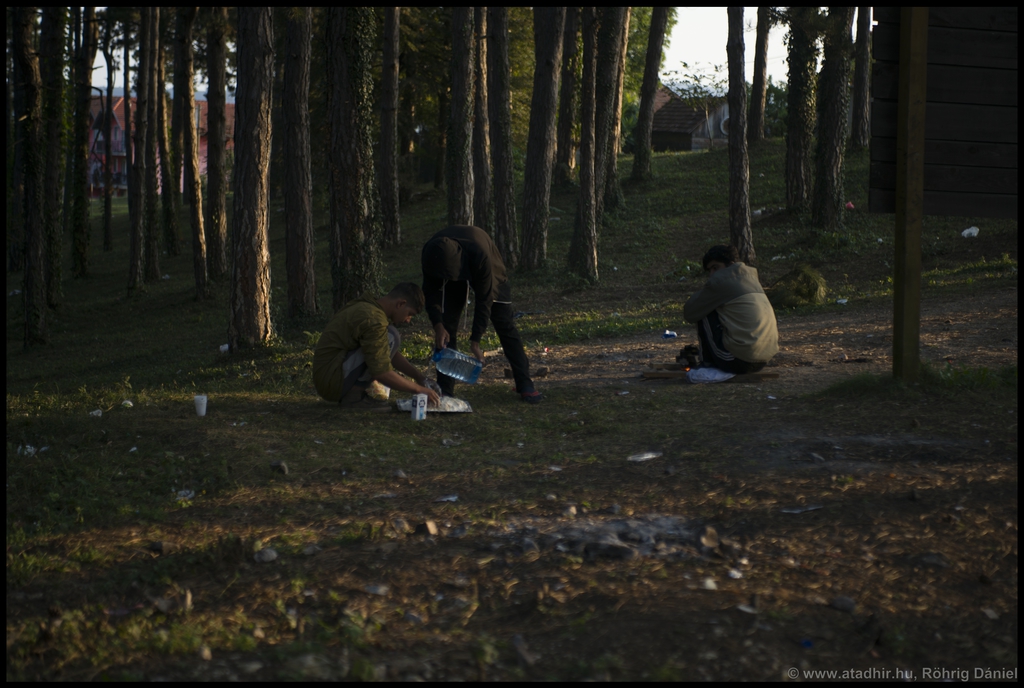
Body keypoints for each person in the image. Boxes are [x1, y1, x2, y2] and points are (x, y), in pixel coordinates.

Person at [421, 225, 542, 403]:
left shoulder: (480, 255)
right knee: (447, 326)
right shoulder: (431, 254)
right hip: (448, 263)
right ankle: (445, 390)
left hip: (485, 264)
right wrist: (438, 325)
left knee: (504, 323)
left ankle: (525, 383)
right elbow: (431, 294)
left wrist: (475, 340)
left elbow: (485, 300)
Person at [312, 283, 440, 409]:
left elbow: (385, 352)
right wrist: (419, 390)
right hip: (331, 380)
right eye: (409, 314)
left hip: (329, 376)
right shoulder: (374, 319)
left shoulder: (370, 307)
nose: (408, 320)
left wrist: (419, 377)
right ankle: (354, 397)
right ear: (401, 304)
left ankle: (355, 393)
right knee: (392, 335)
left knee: (390, 336)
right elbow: (381, 372)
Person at [683, 245, 779, 374]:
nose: (712, 274)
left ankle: (707, 364)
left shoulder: (721, 280)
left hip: (737, 361)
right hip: (764, 358)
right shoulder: (752, 278)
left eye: (715, 268)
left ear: (731, 264)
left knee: (704, 309)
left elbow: (690, 312)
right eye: (709, 270)